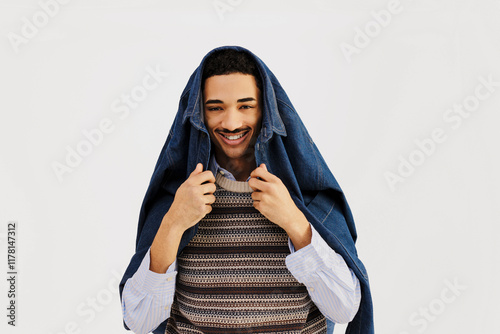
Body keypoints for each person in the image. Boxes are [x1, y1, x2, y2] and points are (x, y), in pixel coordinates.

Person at [119, 46, 374, 334]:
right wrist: (173, 223)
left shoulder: (303, 195)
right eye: (215, 108)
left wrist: (294, 221)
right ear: (198, 114)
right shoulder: (179, 199)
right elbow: (138, 321)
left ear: (266, 110)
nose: (231, 123)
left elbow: (345, 308)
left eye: (245, 106)